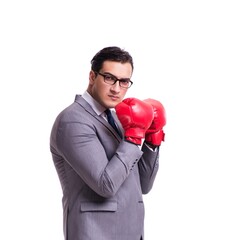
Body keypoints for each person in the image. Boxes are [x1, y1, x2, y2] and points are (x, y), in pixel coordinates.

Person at [50, 46, 166, 240]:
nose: (116, 89)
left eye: (124, 81)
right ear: (92, 77)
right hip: (96, 233)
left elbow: (143, 186)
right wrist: (134, 136)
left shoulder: (119, 119)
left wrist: (152, 139)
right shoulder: (72, 120)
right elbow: (105, 185)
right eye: (109, 78)